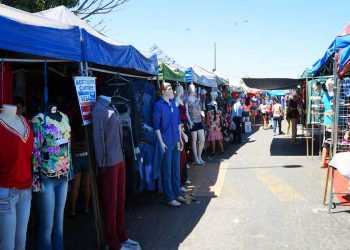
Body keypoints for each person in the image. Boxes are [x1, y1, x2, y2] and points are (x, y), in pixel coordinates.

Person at [92, 93, 140, 250]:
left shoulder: (112, 106)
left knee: (120, 199)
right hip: (109, 162)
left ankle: (122, 235)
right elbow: (98, 139)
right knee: (111, 202)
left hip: (120, 159)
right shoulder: (99, 110)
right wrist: (101, 164)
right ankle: (113, 241)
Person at [32, 105, 72, 250]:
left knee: (59, 224)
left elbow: (68, 146)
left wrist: (70, 170)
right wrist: (36, 180)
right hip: (46, 178)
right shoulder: (38, 120)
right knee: (46, 225)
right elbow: (35, 151)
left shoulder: (65, 117)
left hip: (63, 176)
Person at [0, 104, 33, 250]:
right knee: (7, 244)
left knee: (21, 242)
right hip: (6, 191)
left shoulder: (25, 121)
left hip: (26, 191)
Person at [153, 82, 185, 207]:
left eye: (171, 88)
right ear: (162, 91)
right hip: (166, 142)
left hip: (176, 140)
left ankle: (177, 194)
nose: (171, 90)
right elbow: (156, 126)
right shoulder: (158, 105)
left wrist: (181, 138)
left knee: (176, 169)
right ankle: (169, 197)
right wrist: (161, 143)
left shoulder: (173, 104)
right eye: (169, 88)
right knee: (167, 171)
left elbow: (178, 122)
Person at [68, 111, 91, 217]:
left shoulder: (70, 132)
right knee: (86, 185)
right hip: (86, 158)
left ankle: (72, 210)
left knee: (75, 187)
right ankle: (86, 208)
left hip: (75, 158)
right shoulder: (87, 131)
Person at [186, 84, 206, 164]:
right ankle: (196, 158)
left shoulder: (197, 99)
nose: (193, 88)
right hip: (192, 122)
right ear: (189, 89)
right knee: (194, 140)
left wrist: (202, 113)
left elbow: (200, 109)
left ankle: (199, 156)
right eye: (192, 87)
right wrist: (189, 121)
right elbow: (186, 112)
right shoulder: (186, 99)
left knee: (202, 139)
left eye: (194, 87)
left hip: (199, 120)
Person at [321, 79, 334, 168]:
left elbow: (326, 107)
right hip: (336, 121)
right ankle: (332, 162)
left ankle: (323, 162)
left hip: (328, 122)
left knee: (327, 142)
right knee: (335, 142)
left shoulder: (324, 96)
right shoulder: (336, 95)